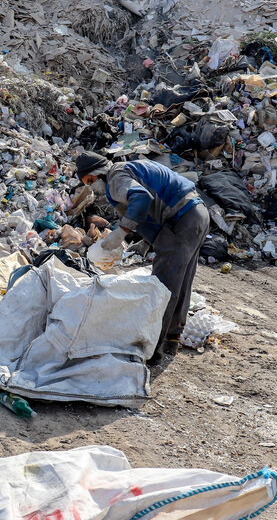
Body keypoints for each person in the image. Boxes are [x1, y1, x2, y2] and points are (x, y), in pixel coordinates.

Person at [75, 151, 210, 364]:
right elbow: (156, 201)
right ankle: (171, 340)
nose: (92, 187)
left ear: (99, 173)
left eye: (91, 181)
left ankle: (152, 349)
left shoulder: (116, 177)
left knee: (163, 286)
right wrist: (146, 243)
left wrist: (121, 233)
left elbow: (141, 197)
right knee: (181, 281)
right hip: (196, 215)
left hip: (181, 221)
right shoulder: (131, 168)